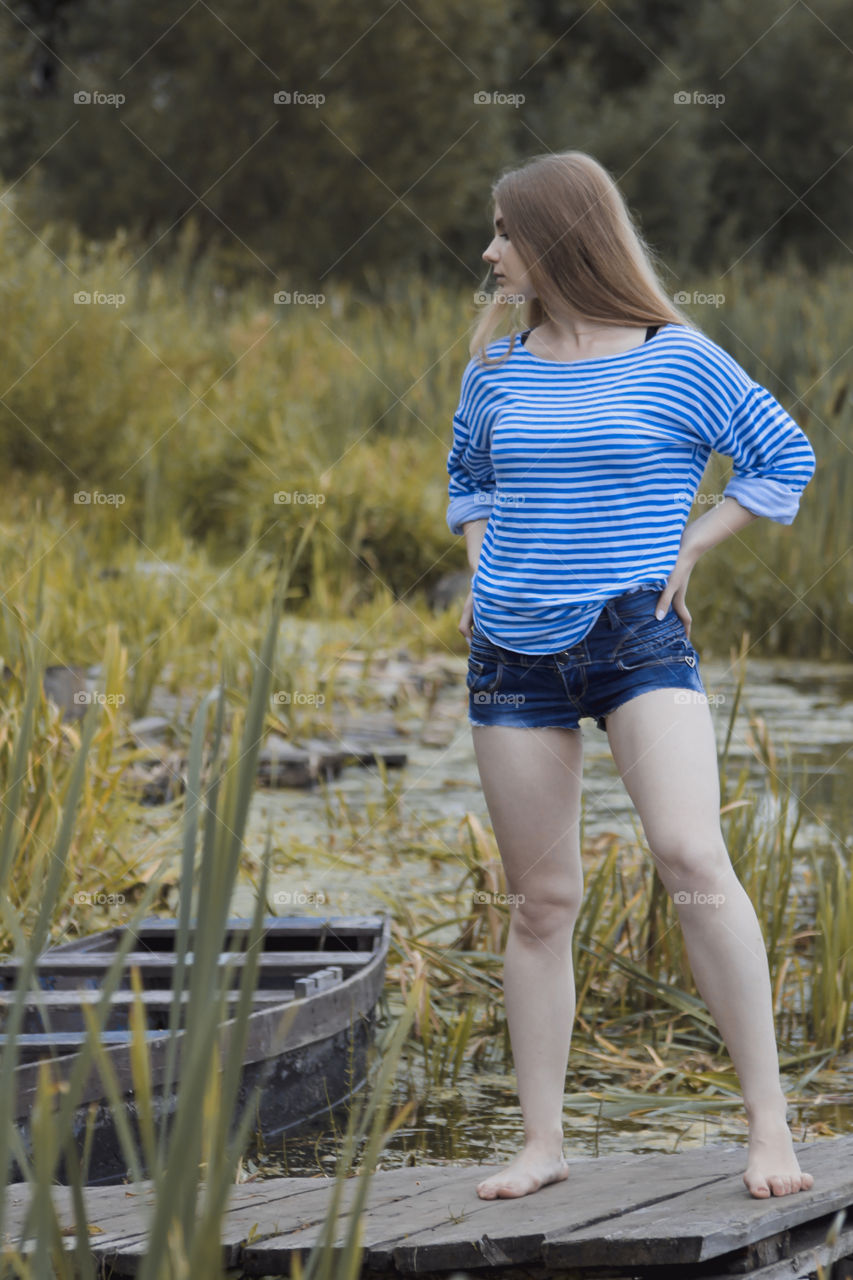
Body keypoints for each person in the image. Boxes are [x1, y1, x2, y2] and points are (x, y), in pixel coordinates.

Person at [446, 151, 817, 1202]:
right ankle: (542, 1144)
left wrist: (693, 542)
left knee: (691, 856)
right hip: (511, 655)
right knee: (540, 902)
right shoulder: (496, 369)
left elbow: (782, 454)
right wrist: (480, 570)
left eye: (505, 231)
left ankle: (768, 1128)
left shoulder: (677, 357)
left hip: (636, 639)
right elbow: (468, 481)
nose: (490, 252)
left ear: (559, 237)